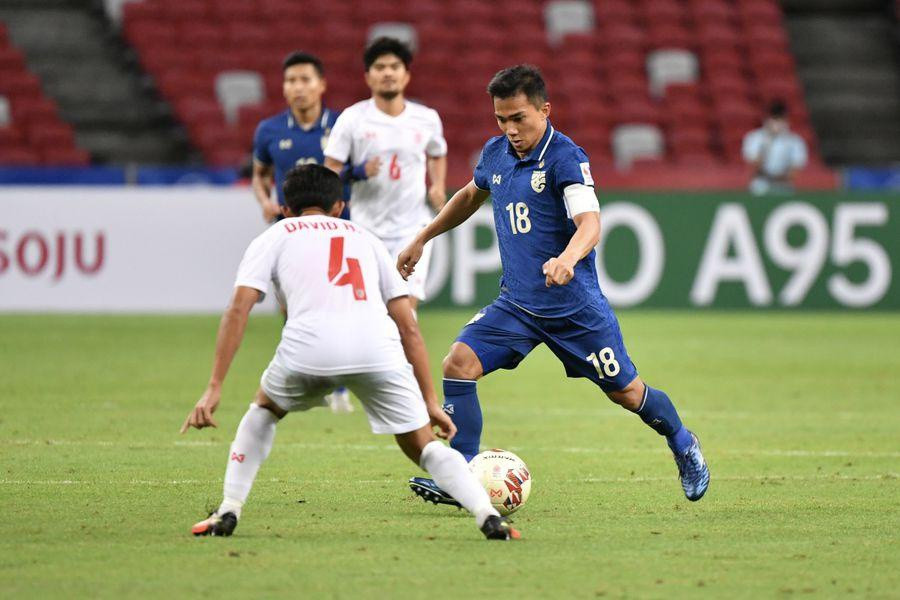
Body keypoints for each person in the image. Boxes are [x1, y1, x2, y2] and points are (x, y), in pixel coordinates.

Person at [396, 65, 710, 507]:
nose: (509, 130)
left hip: (574, 309)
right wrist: (422, 237)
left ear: (545, 110)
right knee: (458, 363)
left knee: (629, 393)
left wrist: (567, 258)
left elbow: (590, 223)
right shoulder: (496, 153)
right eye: (501, 119)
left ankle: (683, 442)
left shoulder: (565, 157)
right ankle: (460, 475)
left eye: (518, 118)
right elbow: (470, 195)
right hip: (518, 305)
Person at [182, 164, 519, 541]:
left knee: (263, 411)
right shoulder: (365, 238)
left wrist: (214, 385)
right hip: (377, 349)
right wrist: (428, 398)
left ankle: (229, 509)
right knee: (423, 445)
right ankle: (488, 516)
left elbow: (238, 308)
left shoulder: (275, 236)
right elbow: (407, 324)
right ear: (340, 205)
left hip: (308, 349)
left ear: (285, 208)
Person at [251, 51, 353, 412]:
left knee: (337, 307)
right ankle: (304, 377)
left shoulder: (342, 126)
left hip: (337, 233)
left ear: (321, 84)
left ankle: (338, 384)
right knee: (292, 308)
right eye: (291, 80)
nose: (298, 87)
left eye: (305, 79)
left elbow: (354, 173)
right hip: (290, 234)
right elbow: (259, 176)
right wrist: (264, 200)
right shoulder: (269, 130)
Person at [323, 37, 447, 312]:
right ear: (368, 76)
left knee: (405, 310)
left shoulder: (426, 118)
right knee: (370, 311)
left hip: (412, 229)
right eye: (380, 67)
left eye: (394, 66)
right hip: (366, 230)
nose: (388, 72)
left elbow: (437, 152)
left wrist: (437, 185)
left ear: (406, 75)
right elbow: (329, 171)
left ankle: (405, 357)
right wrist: (357, 172)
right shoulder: (352, 119)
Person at [742, 99, 808, 195]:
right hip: (760, 186)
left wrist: (779, 178)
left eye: (780, 119)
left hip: (784, 187)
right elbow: (754, 165)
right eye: (774, 118)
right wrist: (768, 141)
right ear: (767, 119)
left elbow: (795, 168)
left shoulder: (795, 141)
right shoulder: (754, 138)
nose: (777, 123)